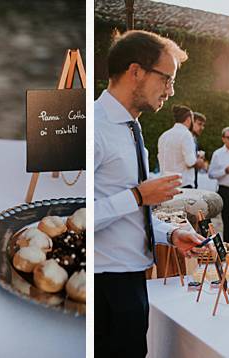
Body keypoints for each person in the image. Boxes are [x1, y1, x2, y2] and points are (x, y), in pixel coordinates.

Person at [94, 30, 207, 357]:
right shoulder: (95, 128)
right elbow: (78, 218)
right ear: (135, 72)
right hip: (105, 283)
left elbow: (128, 212)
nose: (171, 91)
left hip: (131, 278)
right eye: (167, 79)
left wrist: (169, 234)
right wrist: (139, 196)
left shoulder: (132, 127)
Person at [157, 105, 206, 188]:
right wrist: (200, 162)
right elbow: (190, 162)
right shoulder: (186, 134)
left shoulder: (164, 135)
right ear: (188, 119)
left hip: (166, 184)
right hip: (183, 185)